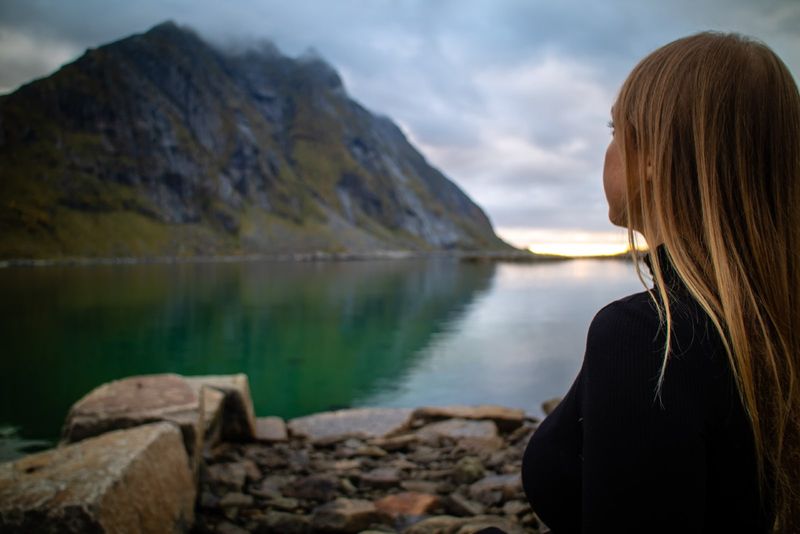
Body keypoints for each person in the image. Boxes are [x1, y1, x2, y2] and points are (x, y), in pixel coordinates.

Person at [520, 32, 800, 533]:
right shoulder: (779, 317)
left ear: (653, 155)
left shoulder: (649, 337)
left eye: (615, 128)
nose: (605, 151)